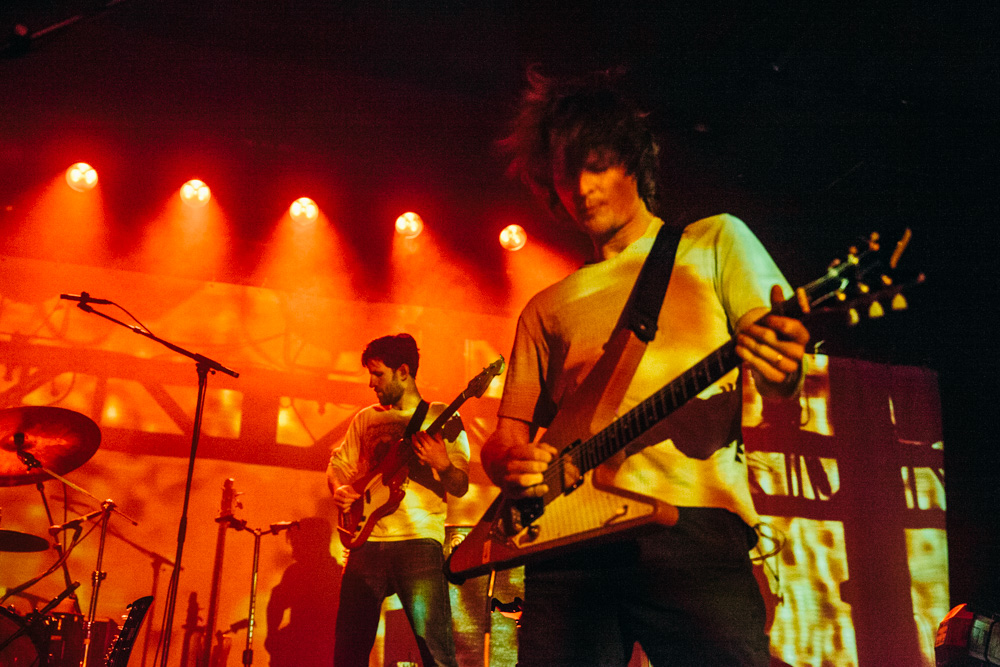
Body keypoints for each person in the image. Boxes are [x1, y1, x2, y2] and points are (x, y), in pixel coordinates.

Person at [479, 68, 810, 667]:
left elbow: (781, 365)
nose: (582, 186)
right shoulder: (545, 306)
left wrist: (783, 362)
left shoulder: (714, 243)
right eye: (566, 172)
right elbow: (506, 438)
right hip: (567, 545)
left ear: (634, 161)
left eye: (598, 163)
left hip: (689, 529)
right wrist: (509, 463)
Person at [327, 333, 468, 667]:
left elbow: (461, 484)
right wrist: (339, 489)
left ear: (403, 371)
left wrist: (443, 464)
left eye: (378, 374)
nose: (371, 383)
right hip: (366, 541)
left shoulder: (441, 416)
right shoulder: (365, 418)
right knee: (348, 652)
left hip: (418, 542)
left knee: (436, 652)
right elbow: (337, 465)